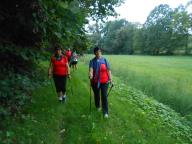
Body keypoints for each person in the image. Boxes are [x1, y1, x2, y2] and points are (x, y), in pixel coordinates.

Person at [89, 46, 113, 118]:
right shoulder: (92, 61)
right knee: (96, 95)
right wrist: (90, 74)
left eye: (99, 52)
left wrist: (111, 79)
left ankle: (105, 112)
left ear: (101, 52)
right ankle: (98, 106)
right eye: (96, 52)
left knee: (104, 96)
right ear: (94, 53)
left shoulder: (105, 60)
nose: (98, 53)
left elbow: (108, 70)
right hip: (95, 82)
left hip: (105, 81)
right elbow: (91, 69)